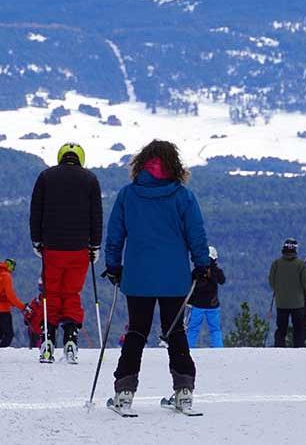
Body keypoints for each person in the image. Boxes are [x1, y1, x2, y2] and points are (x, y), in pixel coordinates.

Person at [103, 140, 210, 415]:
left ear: (141, 163)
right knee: (175, 331)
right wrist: (202, 265)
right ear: (174, 164)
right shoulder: (183, 197)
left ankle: (124, 393)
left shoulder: (128, 195)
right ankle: (184, 391)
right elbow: (196, 234)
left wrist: (113, 265)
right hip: (175, 277)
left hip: (138, 277)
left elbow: (115, 235)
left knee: (136, 331)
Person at [29, 142, 103, 362]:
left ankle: (48, 341)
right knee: (71, 293)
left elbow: (36, 211)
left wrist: (36, 240)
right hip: (79, 248)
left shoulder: (46, 177)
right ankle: (71, 338)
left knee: (51, 293)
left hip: (52, 247)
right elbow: (96, 216)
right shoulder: (90, 179)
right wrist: (95, 245)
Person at [269, 238, 306, 347]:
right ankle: (298, 348)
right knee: (298, 328)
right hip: (298, 303)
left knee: (281, 328)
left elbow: (271, 281)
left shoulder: (276, 264)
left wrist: (278, 290)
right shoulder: (301, 265)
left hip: (281, 302)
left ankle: (279, 347)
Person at [187, 246, 226, 348]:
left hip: (198, 305)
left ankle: (189, 347)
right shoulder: (216, 271)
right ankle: (218, 348)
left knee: (193, 328)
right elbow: (222, 281)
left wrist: (189, 301)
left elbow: (189, 286)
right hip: (213, 305)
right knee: (215, 329)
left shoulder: (197, 271)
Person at [0, 258, 30, 348]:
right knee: (8, 335)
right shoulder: (6, 276)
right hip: (3, 309)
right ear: (10, 266)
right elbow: (10, 295)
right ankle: (1, 352)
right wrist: (22, 306)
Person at [23, 279, 46, 349]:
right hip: (41, 332)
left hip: (36, 331)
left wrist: (27, 314)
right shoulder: (36, 302)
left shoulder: (35, 302)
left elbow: (27, 317)